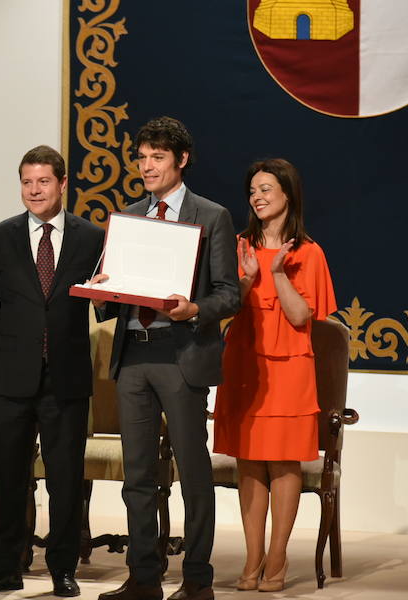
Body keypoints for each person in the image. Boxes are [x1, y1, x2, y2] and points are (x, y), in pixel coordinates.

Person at [92, 117, 240, 600]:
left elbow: (228, 294)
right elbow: (116, 293)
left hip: (182, 354)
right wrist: (101, 292)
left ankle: (197, 579)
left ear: (181, 160)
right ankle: (143, 576)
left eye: (157, 157)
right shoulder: (130, 216)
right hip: (133, 353)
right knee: (137, 475)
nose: (146, 166)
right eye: (141, 157)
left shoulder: (210, 215)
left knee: (192, 472)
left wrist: (195, 308)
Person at [0, 145, 105, 597]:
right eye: (27, 182)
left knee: (65, 479)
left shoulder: (91, 237)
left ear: (63, 185)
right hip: (9, 377)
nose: (34, 190)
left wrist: (110, 291)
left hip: (66, 377)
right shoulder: (0, 236)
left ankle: (62, 570)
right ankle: (3, 568)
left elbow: (104, 304)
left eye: (43, 181)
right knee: (9, 477)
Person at [213, 158, 336, 592]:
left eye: (266, 188)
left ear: (288, 195)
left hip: (289, 367)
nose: (257, 197)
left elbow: (302, 314)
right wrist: (246, 282)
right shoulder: (239, 244)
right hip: (245, 361)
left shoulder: (309, 251)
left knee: (284, 462)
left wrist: (278, 273)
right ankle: (252, 559)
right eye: (252, 191)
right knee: (248, 460)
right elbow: (226, 308)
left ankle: (278, 557)